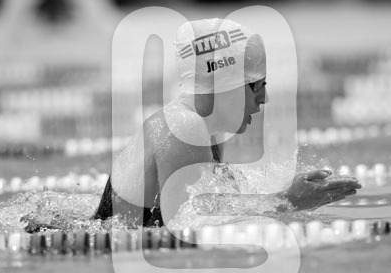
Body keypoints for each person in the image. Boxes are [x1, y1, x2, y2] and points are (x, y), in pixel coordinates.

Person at [94, 18, 361, 227]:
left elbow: (216, 205)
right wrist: (287, 202)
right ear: (224, 83)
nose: (264, 98)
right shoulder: (183, 127)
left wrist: (286, 192)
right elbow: (186, 224)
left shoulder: (207, 131)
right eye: (256, 86)